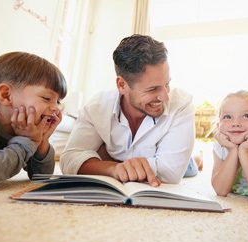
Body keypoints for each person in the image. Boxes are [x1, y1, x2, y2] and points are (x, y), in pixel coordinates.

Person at [60, 34, 197, 187]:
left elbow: (171, 172)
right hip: (150, 157)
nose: (165, 97)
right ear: (122, 85)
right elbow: (69, 159)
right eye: (153, 89)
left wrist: (103, 160)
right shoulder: (97, 107)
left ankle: (196, 158)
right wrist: (113, 168)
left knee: (190, 168)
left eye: (167, 84)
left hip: (176, 155)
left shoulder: (182, 104)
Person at [0, 52, 67, 191]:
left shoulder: (25, 127)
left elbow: (41, 177)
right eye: (46, 98)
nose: (56, 108)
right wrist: (28, 141)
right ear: (6, 95)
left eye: (58, 102)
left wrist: (42, 141)